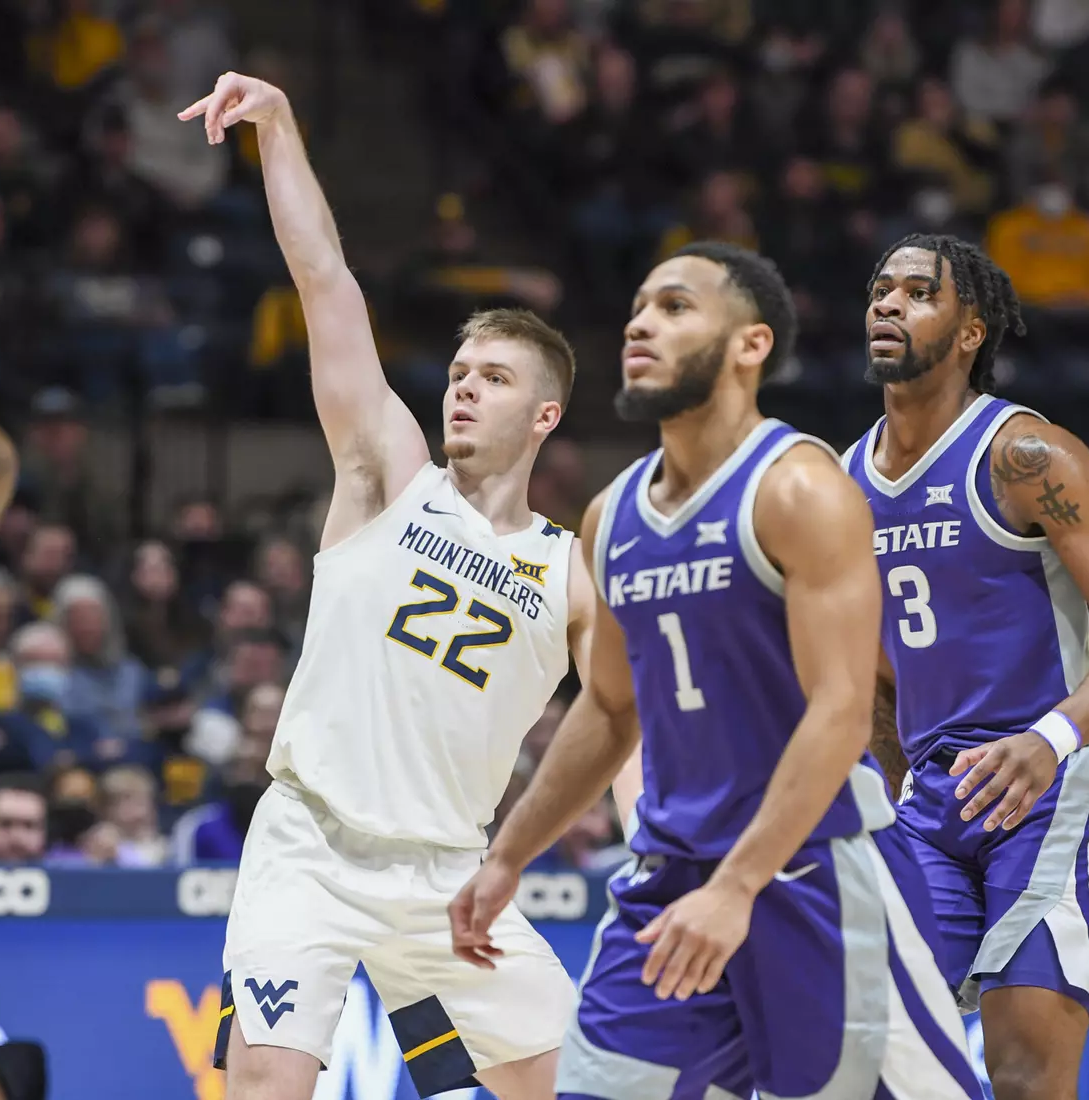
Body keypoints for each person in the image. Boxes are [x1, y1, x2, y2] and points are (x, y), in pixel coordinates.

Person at [452, 243, 985, 1100]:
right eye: (638, 308)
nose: (640, 323)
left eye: (675, 307)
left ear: (751, 345)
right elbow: (610, 707)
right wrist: (509, 854)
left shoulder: (798, 489)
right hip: (668, 876)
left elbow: (842, 713)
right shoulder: (611, 514)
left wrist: (739, 886)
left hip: (812, 872)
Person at [179, 72, 593, 1100]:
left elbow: (622, 714)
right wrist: (277, 126)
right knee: (269, 1082)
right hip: (311, 841)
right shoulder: (389, 474)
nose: (462, 384)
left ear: (544, 415)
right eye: (459, 369)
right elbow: (325, 279)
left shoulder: (571, 568)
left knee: (579, 1084)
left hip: (451, 867)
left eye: (493, 376)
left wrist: (660, 848)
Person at [848, 233, 1089, 1100]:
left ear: (971, 330)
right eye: (881, 288)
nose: (888, 303)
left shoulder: (1025, 458)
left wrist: (1053, 737)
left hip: (1053, 789)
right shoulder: (842, 485)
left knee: (1028, 1075)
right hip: (934, 798)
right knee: (870, 1053)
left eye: (918, 292)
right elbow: (879, 672)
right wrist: (889, 789)